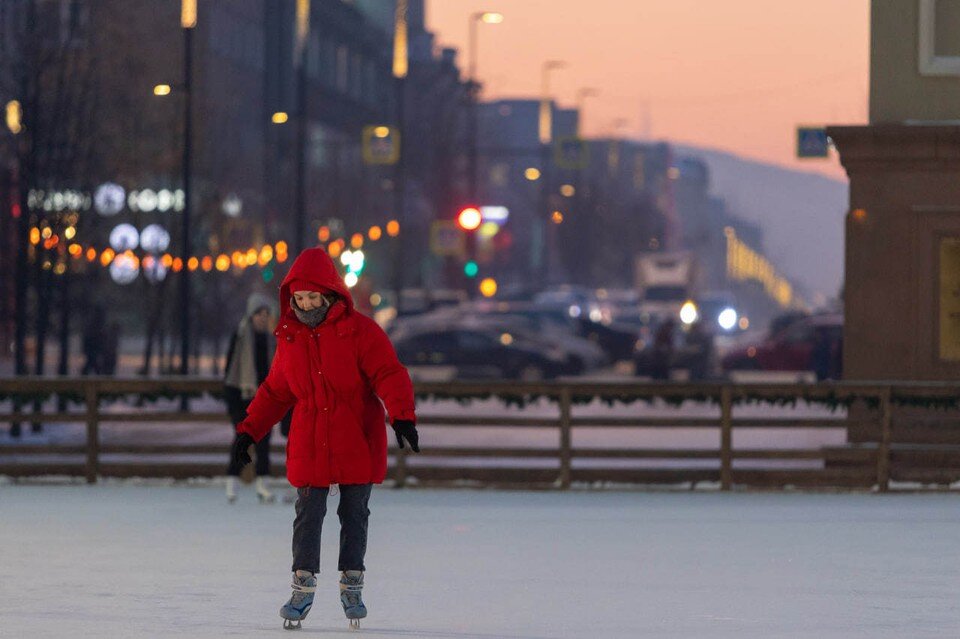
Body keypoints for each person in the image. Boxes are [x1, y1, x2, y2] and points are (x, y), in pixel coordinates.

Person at [230, 247, 419, 631]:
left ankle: (352, 585)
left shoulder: (360, 332)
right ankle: (302, 589)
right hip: (310, 440)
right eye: (298, 298)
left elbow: (389, 373)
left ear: (330, 293)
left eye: (312, 297)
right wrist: (247, 432)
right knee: (308, 515)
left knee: (354, 514)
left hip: (355, 437)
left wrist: (401, 416)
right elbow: (275, 392)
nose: (305, 305)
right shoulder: (291, 339)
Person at [223, 293, 286, 503]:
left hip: (263, 398)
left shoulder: (270, 340)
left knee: (264, 441)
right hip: (240, 395)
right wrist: (233, 400)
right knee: (242, 439)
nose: (263, 317)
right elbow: (231, 370)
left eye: (266, 314)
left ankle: (263, 485)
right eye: (259, 313)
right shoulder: (240, 336)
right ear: (251, 315)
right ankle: (232, 482)